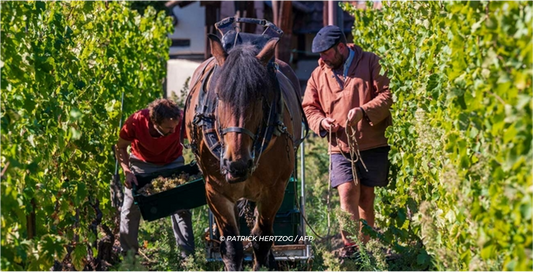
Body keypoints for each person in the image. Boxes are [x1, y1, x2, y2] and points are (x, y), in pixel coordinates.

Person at [302, 25, 392, 257]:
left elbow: (387, 94)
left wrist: (363, 110)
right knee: (347, 192)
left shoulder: (371, 62)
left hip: (372, 143)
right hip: (340, 146)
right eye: (320, 54)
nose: (322, 58)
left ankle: (367, 247)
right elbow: (309, 108)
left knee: (366, 198)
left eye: (326, 53)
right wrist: (322, 123)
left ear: (341, 47)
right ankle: (351, 248)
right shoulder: (317, 75)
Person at [115, 98, 195, 258]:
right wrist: (127, 171)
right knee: (130, 208)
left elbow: (197, 140)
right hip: (141, 164)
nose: (173, 132)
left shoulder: (180, 120)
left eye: (175, 128)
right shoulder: (136, 121)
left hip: (172, 162)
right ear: (154, 122)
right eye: (168, 129)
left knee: (181, 207)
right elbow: (120, 146)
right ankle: (129, 258)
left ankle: (187, 258)